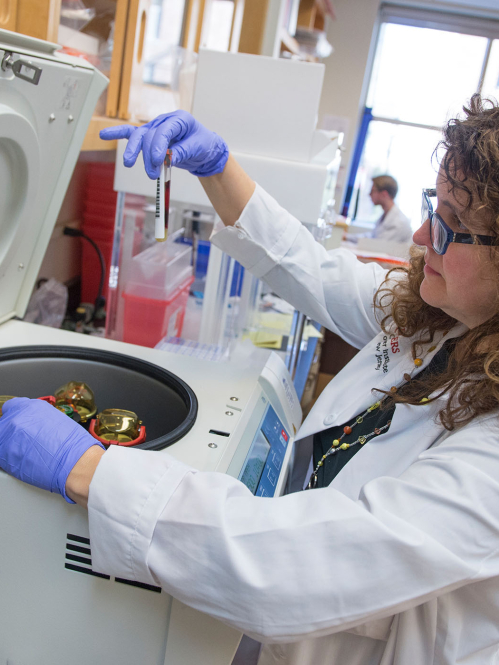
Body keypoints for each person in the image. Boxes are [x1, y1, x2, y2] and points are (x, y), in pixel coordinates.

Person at [1, 94, 499, 665]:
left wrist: (86, 467)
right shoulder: (451, 320)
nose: (420, 237)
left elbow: (305, 566)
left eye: (455, 226)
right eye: (435, 206)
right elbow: (313, 268)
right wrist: (218, 169)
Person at [368, 175, 413, 243]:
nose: (369, 194)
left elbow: (379, 245)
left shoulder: (398, 222)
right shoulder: (386, 216)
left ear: (384, 194)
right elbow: (373, 236)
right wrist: (347, 237)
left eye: (373, 191)